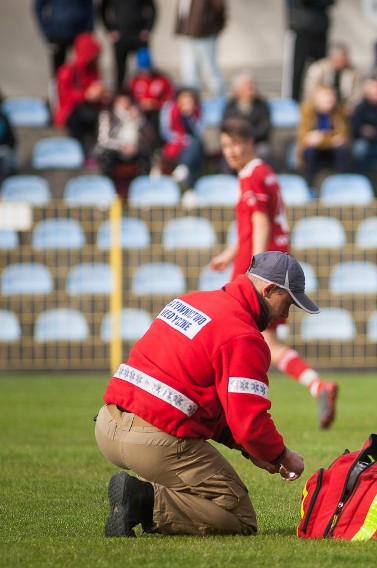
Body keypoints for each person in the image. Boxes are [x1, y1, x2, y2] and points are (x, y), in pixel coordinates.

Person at [95, 250, 313, 537]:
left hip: (108, 424)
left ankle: (140, 491)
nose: (284, 315)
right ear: (269, 289)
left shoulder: (189, 301)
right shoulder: (244, 336)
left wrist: (248, 451)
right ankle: (143, 500)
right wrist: (282, 455)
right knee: (239, 515)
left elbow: (197, 402)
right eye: (286, 303)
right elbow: (249, 423)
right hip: (154, 442)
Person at [210, 118, 340, 429]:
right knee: (264, 342)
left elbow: (261, 222)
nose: (230, 151)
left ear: (250, 143)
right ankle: (315, 386)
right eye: (225, 146)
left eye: (235, 145)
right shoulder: (266, 174)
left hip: (259, 273)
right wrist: (230, 253)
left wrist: (252, 269)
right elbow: (260, 222)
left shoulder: (252, 175)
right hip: (272, 267)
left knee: (235, 337)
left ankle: (232, 408)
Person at [54, 32, 108, 160]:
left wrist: (101, 94)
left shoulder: (93, 69)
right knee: (83, 116)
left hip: (91, 109)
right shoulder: (67, 71)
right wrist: (85, 95)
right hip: (72, 111)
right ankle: (85, 153)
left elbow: (96, 87)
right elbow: (65, 96)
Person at [295, 84, 350, 188]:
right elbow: (304, 138)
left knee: (342, 151)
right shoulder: (307, 111)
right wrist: (331, 140)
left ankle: (343, 186)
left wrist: (320, 138)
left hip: (333, 151)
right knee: (309, 152)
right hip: (315, 151)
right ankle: (309, 187)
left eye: (332, 96)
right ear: (317, 98)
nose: (330, 99)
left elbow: (342, 136)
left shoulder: (340, 111)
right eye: (326, 96)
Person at [95, 90, 155, 182]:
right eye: (121, 102)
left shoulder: (136, 116)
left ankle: (142, 185)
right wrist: (122, 146)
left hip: (134, 149)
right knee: (106, 157)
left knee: (146, 154)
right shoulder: (107, 115)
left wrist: (139, 120)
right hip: (114, 149)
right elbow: (103, 140)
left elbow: (148, 138)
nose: (125, 105)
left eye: (127, 103)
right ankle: (108, 186)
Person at [284, 0, 335, 101]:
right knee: (296, 73)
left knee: (322, 72)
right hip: (300, 30)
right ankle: (293, 103)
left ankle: (319, 104)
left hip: (320, 30)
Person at [174, 0, 226, 97]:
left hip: (204, 36)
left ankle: (219, 97)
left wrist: (210, 27)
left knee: (209, 69)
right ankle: (192, 100)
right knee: (188, 71)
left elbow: (220, 9)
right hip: (188, 34)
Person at [100, 0, 156, 89]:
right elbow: (102, 10)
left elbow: (152, 9)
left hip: (138, 35)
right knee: (120, 70)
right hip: (120, 35)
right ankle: (120, 94)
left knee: (144, 67)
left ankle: (145, 93)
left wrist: (147, 29)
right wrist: (109, 29)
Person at [34, 0, 94, 76]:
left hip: (80, 34)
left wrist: (89, 30)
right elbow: (38, 8)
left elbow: (90, 8)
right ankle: (57, 86)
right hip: (57, 35)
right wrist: (47, 31)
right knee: (58, 73)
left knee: (82, 70)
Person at [160, 87, 204, 188]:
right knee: (193, 154)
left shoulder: (197, 113)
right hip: (175, 144)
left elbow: (198, 132)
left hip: (193, 146)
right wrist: (183, 139)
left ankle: (184, 170)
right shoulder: (170, 110)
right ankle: (190, 186)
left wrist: (189, 116)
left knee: (195, 149)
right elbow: (166, 132)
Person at [222, 73, 272, 160]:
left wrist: (247, 139)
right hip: (235, 142)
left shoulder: (262, 105)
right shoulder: (230, 107)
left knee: (263, 151)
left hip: (256, 143)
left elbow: (264, 128)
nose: (252, 89)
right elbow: (226, 127)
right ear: (238, 90)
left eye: (253, 86)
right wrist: (238, 141)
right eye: (248, 87)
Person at [302, 42, 363, 113]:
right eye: (343, 59)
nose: (347, 61)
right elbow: (310, 90)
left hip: (343, 107)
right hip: (320, 105)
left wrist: (351, 105)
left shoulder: (352, 72)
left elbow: (357, 93)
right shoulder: (318, 69)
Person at [128, 48, 174, 142]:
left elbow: (170, 97)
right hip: (139, 111)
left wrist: (156, 103)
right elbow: (129, 97)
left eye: (147, 69)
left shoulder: (161, 79)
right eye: (142, 69)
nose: (145, 72)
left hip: (158, 112)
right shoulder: (134, 80)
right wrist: (139, 105)